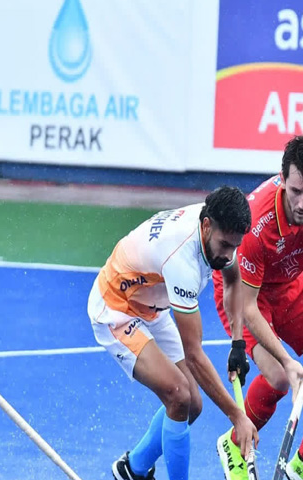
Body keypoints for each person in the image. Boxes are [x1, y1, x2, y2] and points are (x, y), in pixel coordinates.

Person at [88, 186, 259, 480]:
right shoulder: (182, 260)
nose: (229, 254)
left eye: (235, 246)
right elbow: (194, 355)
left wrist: (237, 343)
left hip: (151, 304)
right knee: (179, 395)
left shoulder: (218, 229)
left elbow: (232, 280)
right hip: (116, 308)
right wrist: (237, 417)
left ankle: (131, 470)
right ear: (206, 226)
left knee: (193, 405)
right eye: (225, 245)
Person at [214, 134, 303, 480]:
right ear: (282, 178)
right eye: (295, 192)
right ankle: (234, 443)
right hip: (244, 293)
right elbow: (247, 308)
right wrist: (289, 363)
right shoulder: (257, 225)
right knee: (277, 378)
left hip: (288, 285)